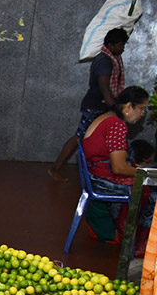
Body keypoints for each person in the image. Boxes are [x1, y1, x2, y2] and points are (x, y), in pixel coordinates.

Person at [50, 27, 129, 181]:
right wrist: (115, 107)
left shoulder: (110, 58)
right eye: (119, 45)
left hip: (101, 106)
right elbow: (104, 88)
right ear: (110, 45)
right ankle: (55, 168)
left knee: (90, 138)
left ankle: (95, 171)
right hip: (96, 106)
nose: (122, 48)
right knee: (79, 137)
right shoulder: (104, 61)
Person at [80, 86, 151, 239]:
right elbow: (119, 168)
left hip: (94, 175)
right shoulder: (116, 124)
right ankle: (133, 238)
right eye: (141, 109)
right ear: (129, 106)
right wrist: (147, 173)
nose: (143, 114)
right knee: (149, 190)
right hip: (101, 180)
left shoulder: (108, 116)